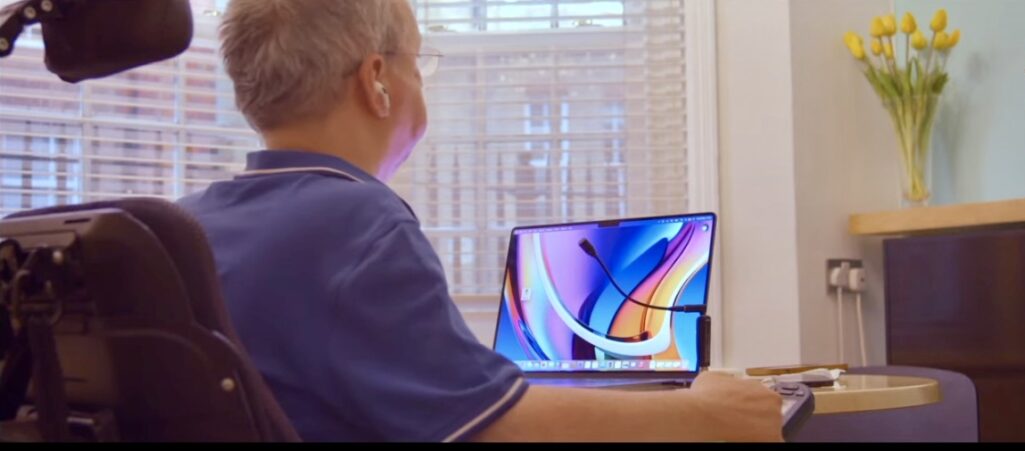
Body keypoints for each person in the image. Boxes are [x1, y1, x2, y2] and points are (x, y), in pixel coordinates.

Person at [177, 0, 782, 442]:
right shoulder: (354, 223)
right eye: (419, 62)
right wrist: (708, 415)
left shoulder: (184, 225)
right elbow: (497, 429)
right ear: (378, 80)